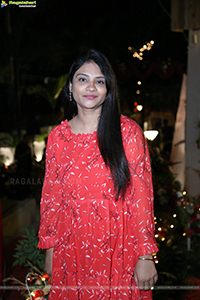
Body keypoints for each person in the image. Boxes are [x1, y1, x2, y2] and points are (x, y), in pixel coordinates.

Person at [38, 49, 158, 299]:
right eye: (83, 79)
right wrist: (50, 251)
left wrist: (145, 255)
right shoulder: (57, 138)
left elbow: (142, 197)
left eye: (99, 81)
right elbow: (52, 198)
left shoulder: (127, 132)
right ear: (71, 88)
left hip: (119, 250)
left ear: (107, 89)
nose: (91, 87)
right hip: (71, 252)